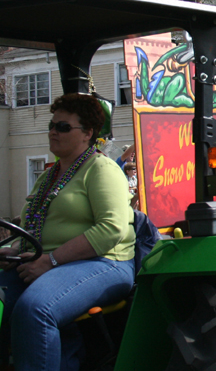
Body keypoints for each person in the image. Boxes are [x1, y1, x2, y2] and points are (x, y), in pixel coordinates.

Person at [0, 93, 135, 371]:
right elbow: (33, 226)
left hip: (104, 262)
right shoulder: (48, 176)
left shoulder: (101, 169)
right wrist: (14, 253)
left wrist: (50, 261)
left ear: (87, 133)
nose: (53, 131)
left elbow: (112, 229)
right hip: (45, 261)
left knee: (35, 309)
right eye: (52, 125)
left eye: (63, 127)